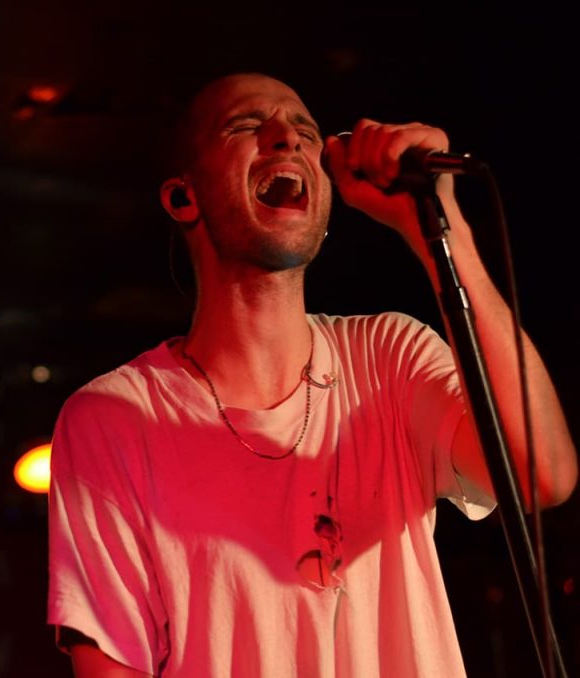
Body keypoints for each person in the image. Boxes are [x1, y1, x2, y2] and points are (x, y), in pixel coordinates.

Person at [46, 73, 577, 677]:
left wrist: (437, 224)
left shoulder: (389, 357)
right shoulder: (115, 418)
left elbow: (541, 473)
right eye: (247, 126)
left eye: (305, 131)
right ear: (182, 198)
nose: (287, 139)